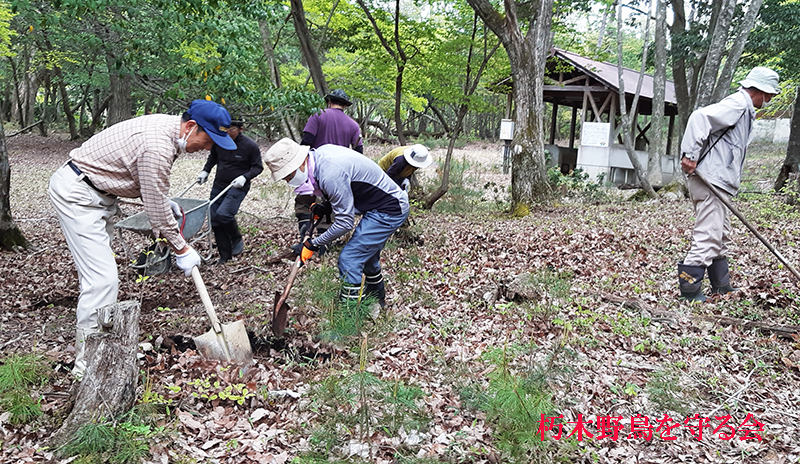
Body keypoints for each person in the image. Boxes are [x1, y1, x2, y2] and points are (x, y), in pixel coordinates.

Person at [48, 99, 236, 378]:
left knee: (102, 280)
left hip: (98, 195)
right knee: (101, 281)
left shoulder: (167, 131)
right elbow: (157, 212)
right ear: (191, 126)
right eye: (208, 140)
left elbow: (150, 188)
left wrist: (162, 199)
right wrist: (182, 249)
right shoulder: (157, 146)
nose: (207, 148)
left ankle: (103, 350)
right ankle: (85, 367)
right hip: (78, 196)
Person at [264, 138, 409, 310]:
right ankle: (377, 301)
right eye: (285, 177)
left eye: (289, 175)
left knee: (349, 259)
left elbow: (345, 223)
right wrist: (326, 206)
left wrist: (313, 244)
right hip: (377, 206)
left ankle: (346, 321)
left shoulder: (330, 172)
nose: (288, 180)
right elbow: (347, 189)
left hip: (389, 209)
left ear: (301, 162)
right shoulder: (319, 157)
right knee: (367, 257)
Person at [678, 67, 780, 302]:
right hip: (710, 178)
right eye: (770, 95)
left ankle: (721, 285)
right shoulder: (737, 104)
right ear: (762, 91)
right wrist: (690, 155)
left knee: (721, 234)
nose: (771, 99)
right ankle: (689, 290)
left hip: (720, 180)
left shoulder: (745, 110)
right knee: (708, 234)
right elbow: (699, 117)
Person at [295, 89, 363, 239]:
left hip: (312, 167)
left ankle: (303, 238)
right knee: (329, 206)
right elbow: (358, 151)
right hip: (337, 172)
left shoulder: (317, 116)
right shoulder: (353, 125)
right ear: (345, 105)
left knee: (304, 204)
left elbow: (306, 142)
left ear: (329, 101)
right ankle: (322, 244)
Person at [197, 118, 263, 264]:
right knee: (215, 220)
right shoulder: (219, 142)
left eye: (231, 129)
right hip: (219, 185)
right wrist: (205, 171)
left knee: (224, 214)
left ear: (240, 129)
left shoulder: (249, 146)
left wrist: (245, 177)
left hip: (238, 186)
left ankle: (236, 238)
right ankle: (224, 256)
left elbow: (258, 167)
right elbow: (213, 157)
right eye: (225, 129)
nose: (228, 132)